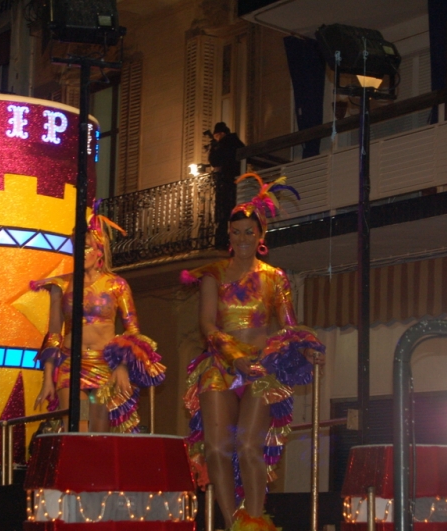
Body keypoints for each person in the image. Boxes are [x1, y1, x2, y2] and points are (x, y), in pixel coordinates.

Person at [181, 173, 325, 530]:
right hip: (221, 366)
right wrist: (235, 357)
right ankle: (234, 524)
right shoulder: (213, 274)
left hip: (261, 367)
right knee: (216, 449)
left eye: (249, 232)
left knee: (248, 446)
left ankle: (256, 520)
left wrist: (305, 348)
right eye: (236, 232)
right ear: (228, 236)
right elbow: (207, 326)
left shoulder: (275, 277)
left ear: (261, 235)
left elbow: (289, 326)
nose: (242, 238)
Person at [31, 205, 166, 432]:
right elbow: (54, 334)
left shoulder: (116, 285)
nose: (80, 253)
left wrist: (121, 366)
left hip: (104, 365)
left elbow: (132, 330)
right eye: (76, 248)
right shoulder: (60, 285)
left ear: (99, 249)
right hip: (71, 365)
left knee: (98, 430)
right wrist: (47, 379)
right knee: (78, 427)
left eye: (86, 248)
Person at [208, 122, 245, 249]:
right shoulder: (235, 142)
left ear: (221, 134)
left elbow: (214, 160)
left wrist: (213, 148)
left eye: (217, 136)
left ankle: (222, 242)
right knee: (231, 213)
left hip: (227, 182)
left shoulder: (224, 144)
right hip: (234, 182)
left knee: (224, 213)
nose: (216, 138)